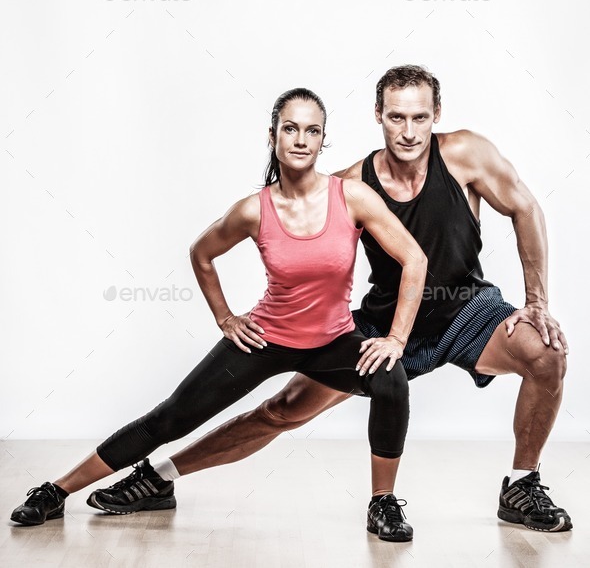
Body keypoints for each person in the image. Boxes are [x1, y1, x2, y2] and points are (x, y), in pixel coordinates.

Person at [75, 65, 571, 538]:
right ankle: (160, 476)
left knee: (546, 354)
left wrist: (537, 301)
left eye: (420, 116)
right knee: (281, 410)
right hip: (382, 324)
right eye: (396, 116)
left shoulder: (467, 153)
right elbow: (300, 240)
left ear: (435, 114)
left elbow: (525, 207)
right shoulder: (352, 184)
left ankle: (521, 485)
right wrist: (247, 315)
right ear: (378, 115)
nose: (409, 131)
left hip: (467, 311)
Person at [11, 87, 427, 542]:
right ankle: (55, 491)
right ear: (274, 137)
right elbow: (202, 254)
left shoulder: (352, 197)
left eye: (312, 131)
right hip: (266, 338)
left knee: (390, 376)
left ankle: (382, 504)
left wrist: (396, 339)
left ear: (323, 139)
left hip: (331, 342)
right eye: (291, 129)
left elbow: (415, 259)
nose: (301, 140)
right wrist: (226, 318)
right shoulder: (254, 210)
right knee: (170, 419)